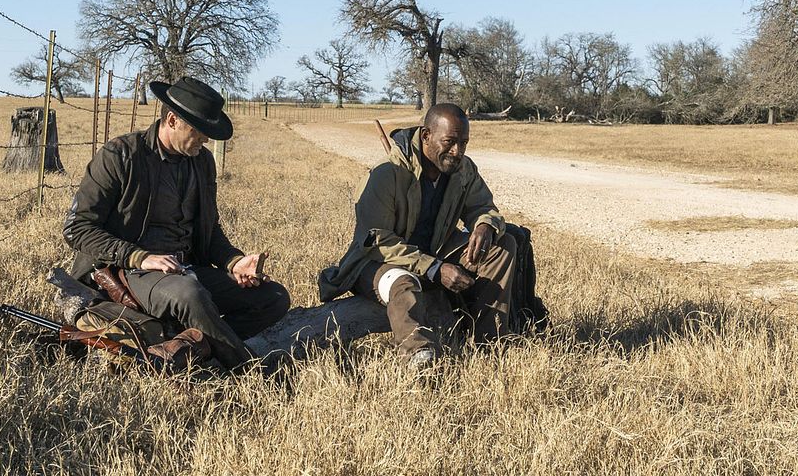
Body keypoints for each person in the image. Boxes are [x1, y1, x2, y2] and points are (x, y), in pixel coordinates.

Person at [63, 76, 290, 369]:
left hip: (186, 270)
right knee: (190, 294)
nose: (206, 139)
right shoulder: (120, 155)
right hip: (130, 271)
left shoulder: (202, 162)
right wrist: (139, 257)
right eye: (199, 131)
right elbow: (77, 228)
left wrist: (234, 262)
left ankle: (181, 347)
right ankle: (247, 370)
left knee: (273, 297)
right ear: (172, 120)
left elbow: (210, 233)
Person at [319, 103, 516, 365]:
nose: (457, 151)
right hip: (379, 262)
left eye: (464, 143)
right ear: (426, 136)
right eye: (449, 142)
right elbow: (377, 241)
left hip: (433, 251)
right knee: (403, 284)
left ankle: (489, 343)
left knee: (503, 246)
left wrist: (484, 224)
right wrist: (435, 268)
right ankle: (418, 355)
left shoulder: (463, 169)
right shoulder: (386, 175)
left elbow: (483, 206)